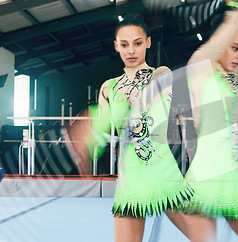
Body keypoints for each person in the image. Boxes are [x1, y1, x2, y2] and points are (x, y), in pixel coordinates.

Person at [69, 13, 193, 242]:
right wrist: (87, 140)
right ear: (116, 46)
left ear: (147, 42)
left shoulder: (162, 74)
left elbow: (170, 113)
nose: (131, 51)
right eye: (124, 45)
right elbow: (102, 131)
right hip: (130, 182)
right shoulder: (109, 87)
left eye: (137, 43)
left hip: (165, 177)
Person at [183, 2, 238, 241]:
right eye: (234, 47)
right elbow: (213, 45)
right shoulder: (200, 68)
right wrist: (236, 10)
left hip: (234, 182)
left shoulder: (234, 79)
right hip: (204, 181)